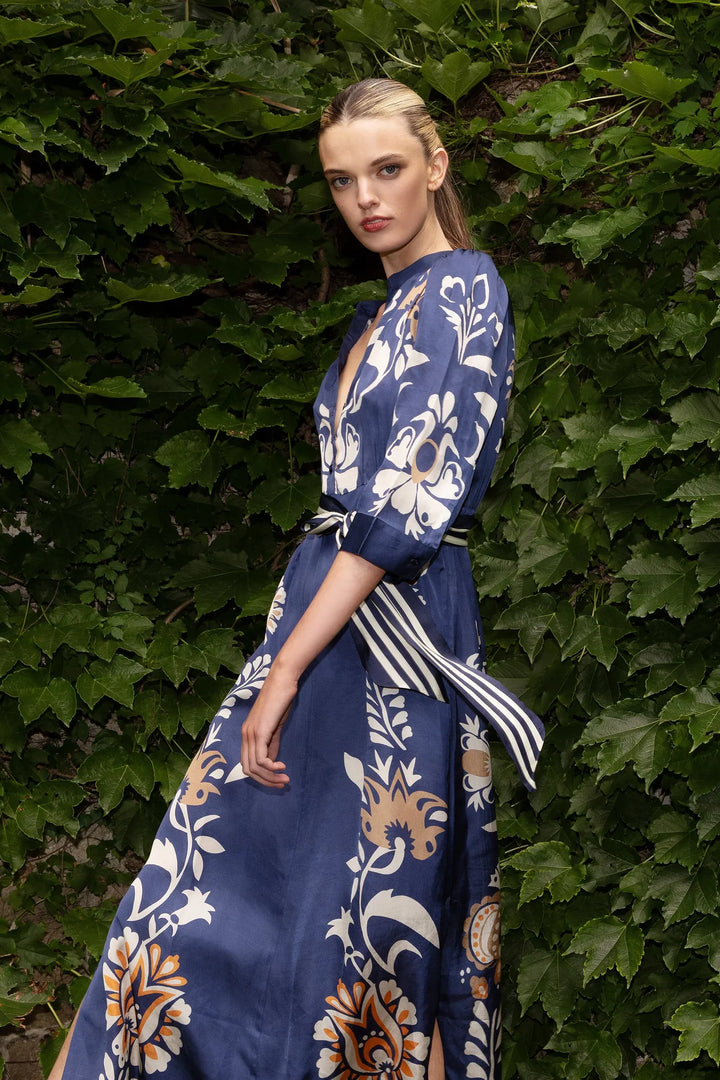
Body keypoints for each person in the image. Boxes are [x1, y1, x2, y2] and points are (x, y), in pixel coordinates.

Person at [50, 77, 543, 1080]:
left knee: (369, 931)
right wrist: (287, 657)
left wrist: (283, 673)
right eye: (342, 180)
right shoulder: (387, 307)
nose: (366, 197)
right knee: (259, 912)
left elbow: (408, 506)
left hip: (385, 629)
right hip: (329, 615)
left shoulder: (462, 291)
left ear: (436, 166)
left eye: (389, 169)